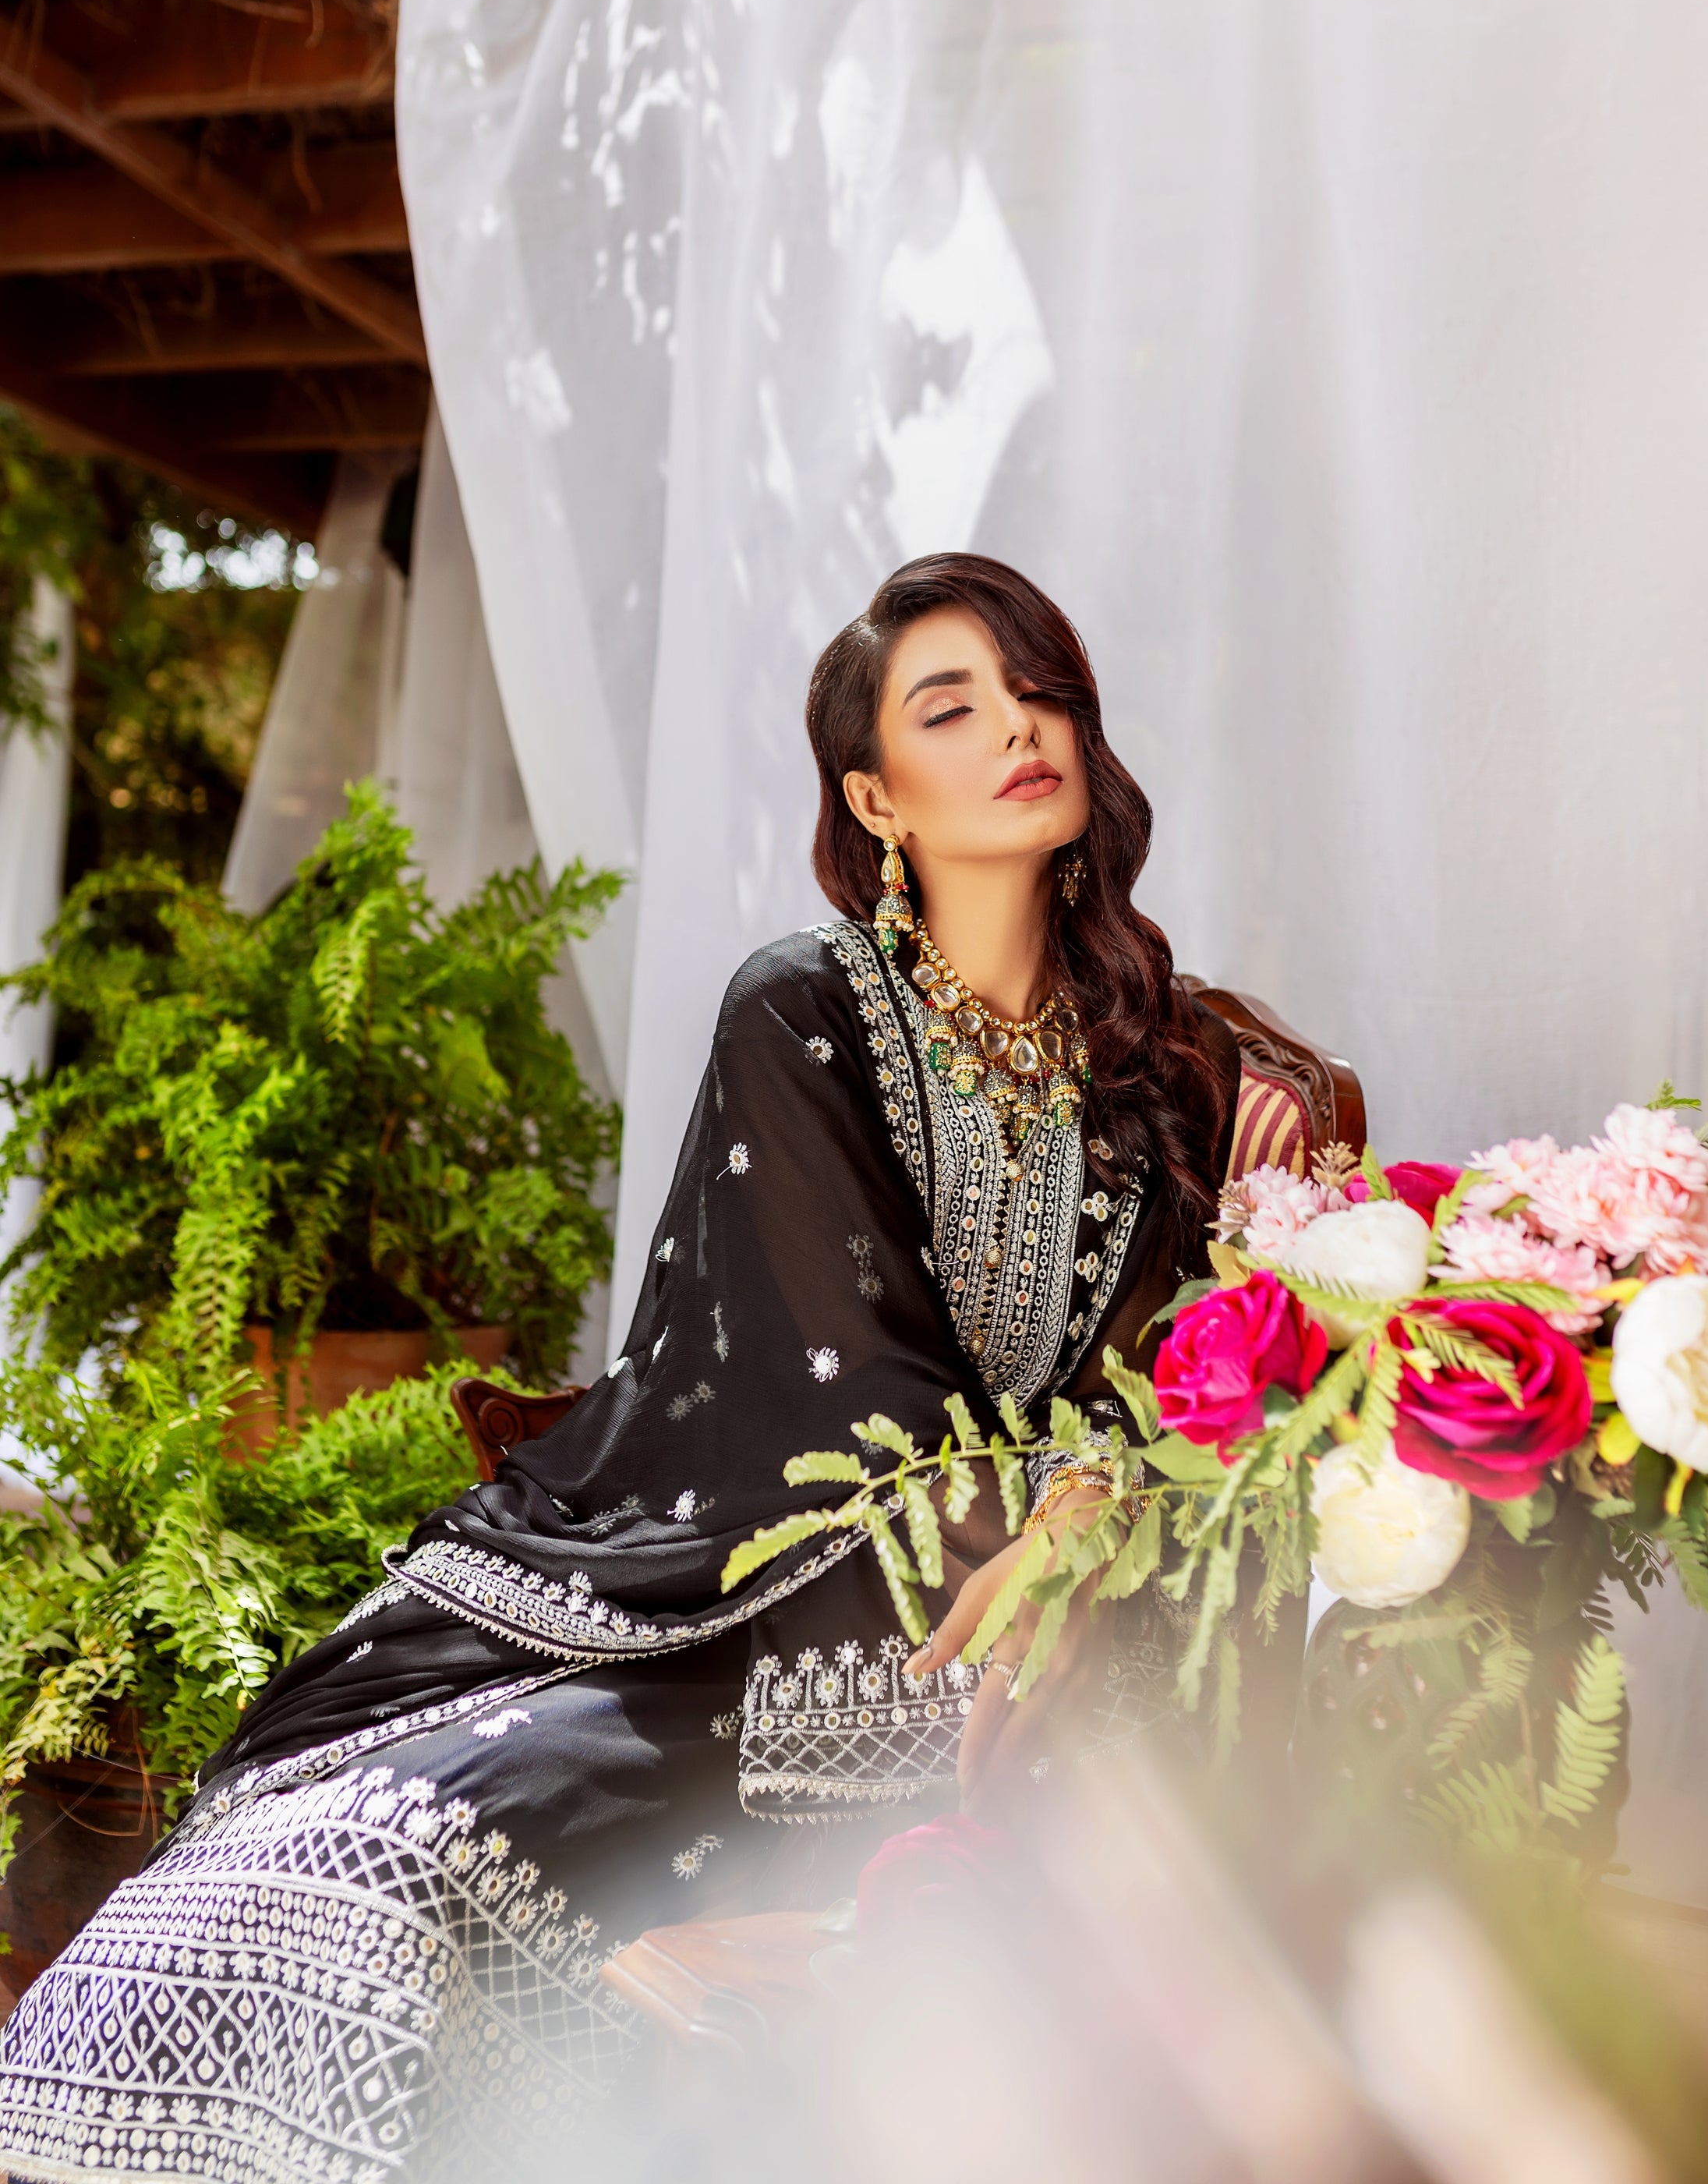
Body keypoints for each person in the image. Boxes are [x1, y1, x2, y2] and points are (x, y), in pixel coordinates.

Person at [0, 554, 1236, 2184]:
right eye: (956, 707)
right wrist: (1054, 1491)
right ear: (875, 796)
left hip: (1012, 1632)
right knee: (360, 1838)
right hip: (764, 1583)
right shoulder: (801, 1010)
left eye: (1040, 694)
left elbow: (1207, 1387)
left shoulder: (1167, 1072)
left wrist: (1141, 1433)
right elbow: (844, 1389)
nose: (1021, 730)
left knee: (440, 1863)